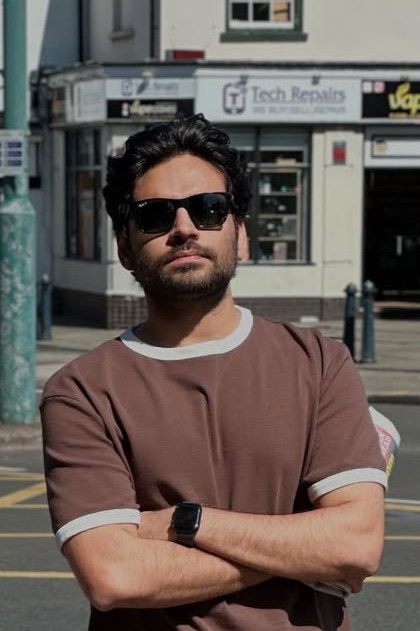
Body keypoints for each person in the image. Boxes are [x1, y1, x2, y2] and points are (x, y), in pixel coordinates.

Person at [41, 114, 387, 631]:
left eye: (208, 209)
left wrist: (186, 523)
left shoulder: (319, 361)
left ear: (240, 234)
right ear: (125, 247)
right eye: (155, 215)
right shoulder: (81, 391)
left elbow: (356, 544)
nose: (184, 228)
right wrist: (304, 553)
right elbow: (115, 576)